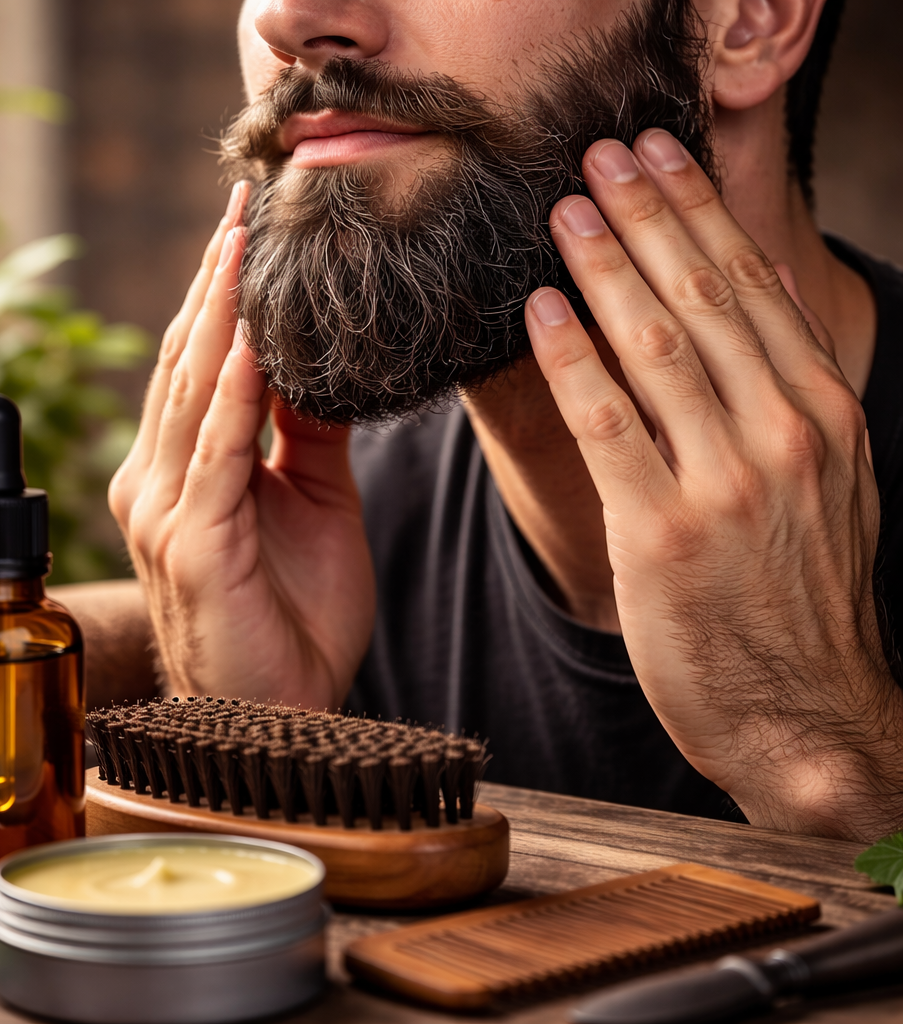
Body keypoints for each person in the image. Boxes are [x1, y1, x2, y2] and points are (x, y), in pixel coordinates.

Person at [108, 0, 903, 842]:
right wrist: (255, 751)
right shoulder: (317, 533)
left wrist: (822, 757)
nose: (286, 18)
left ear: (748, 20)